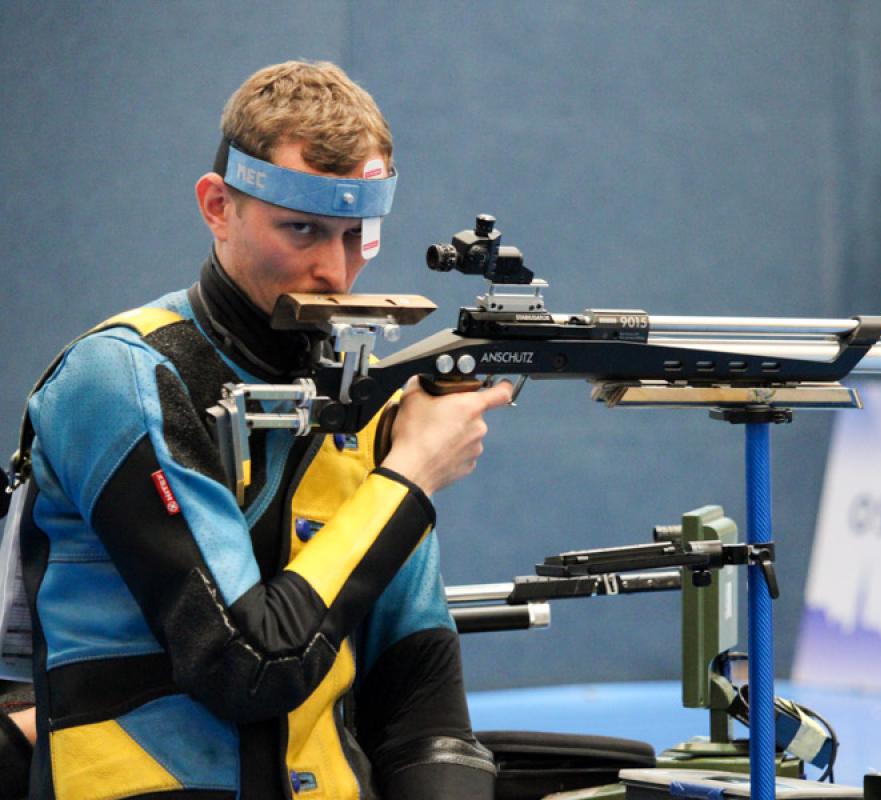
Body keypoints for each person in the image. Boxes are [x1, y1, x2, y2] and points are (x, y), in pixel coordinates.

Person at [17, 61, 511, 798]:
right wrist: (409, 478)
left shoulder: (362, 401)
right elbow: (246, 666)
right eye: (302, 228)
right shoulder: (122, 380)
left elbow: (421, 710)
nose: (334, 272)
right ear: (218, 206)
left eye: (358, 236)